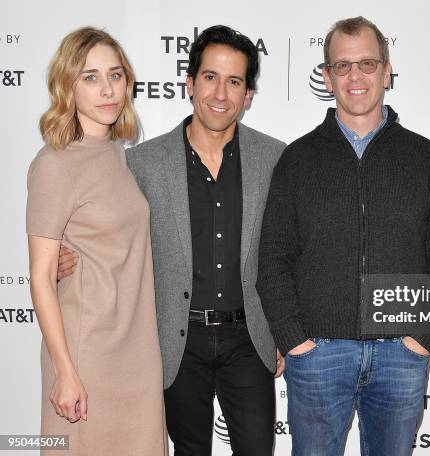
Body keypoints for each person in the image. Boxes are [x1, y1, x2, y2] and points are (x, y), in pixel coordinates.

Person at [58, 25, 286, 455]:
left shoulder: (275, 159)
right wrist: (63, 260)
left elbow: (288, 251)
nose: (220, 93)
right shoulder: (141, 163)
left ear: (248, 95)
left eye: (234, 81)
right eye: (210, 77)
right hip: (175, 342)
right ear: (189, 83)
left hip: (249, 340)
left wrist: (287, 331)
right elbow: (108, 233)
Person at [256, 16, 430, 456]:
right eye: (343, 66)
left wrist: (424, 337)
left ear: (387, 71)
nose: (356, 76)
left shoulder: (424, 158)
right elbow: (272, 258)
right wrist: (295, 342)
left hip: (403, 355)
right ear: (327, 77)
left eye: (367, 63)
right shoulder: (298, 159)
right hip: (318, 354)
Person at [26, 27, 167, 455]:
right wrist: (65, 372)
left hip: (137, 354)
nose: (107, 89)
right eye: (90, 77)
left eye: (115, 75)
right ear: (68, 84)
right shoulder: (54, 163)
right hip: (88, 357)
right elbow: (39, 278)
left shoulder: (117, 152)